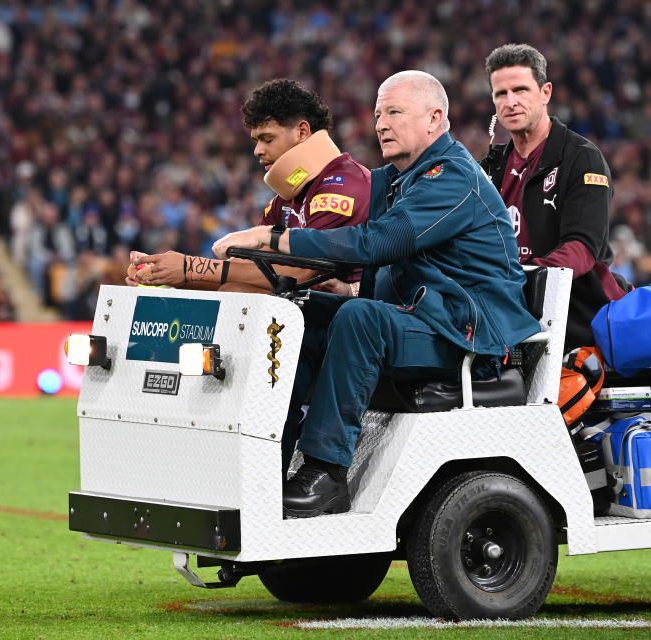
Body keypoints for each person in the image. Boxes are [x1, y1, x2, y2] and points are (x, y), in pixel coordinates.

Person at [213, 71, 540, 518]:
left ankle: (325, 474)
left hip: (470, 337)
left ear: (435, 118)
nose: (381, 123)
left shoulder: (453, 177)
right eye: (378, 114)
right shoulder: (399, 181)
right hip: (429, 320)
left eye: (395, 112)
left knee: (360, 318)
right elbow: (387, 264)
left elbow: (375, 243)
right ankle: (267, 460)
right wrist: (347, 288)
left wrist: (272, 239)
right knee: (302, 314)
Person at [126, 79, 370, 291]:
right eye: (256, 140)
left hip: (348, 322)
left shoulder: (342, 185)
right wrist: (168, 275)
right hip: (305, 318)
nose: (257, 150)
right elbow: (249, 270)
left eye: (267, 139)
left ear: (302, 132)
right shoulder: (285, 198)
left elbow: (306, 273)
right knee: (236, 288)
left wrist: (191, 269)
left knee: (237, 293)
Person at [480, 43, 628, 352]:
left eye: (521, 90)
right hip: (513, 316)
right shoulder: (489, 170)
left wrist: (520, 279)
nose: (510, 102)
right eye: (500, 94)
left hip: (581, 322)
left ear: (545, 92)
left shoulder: (582, 159)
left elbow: (582, 249)